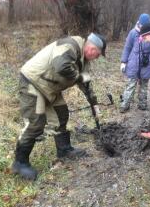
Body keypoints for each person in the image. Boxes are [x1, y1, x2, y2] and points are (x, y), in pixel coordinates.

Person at [11, 33, 106, 180]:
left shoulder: (84, 61)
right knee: (35, 124)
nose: (97, 57)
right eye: (98, 54)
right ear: (92, 48)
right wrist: (79, 77)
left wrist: (95, 105)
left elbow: (86, 85)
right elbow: (62, 66)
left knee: (62, 115)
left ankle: (64, 150)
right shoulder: (70, 45)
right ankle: (20, 162)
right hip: (34, 81)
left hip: (50, 88)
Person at [119, 13, 150, 113]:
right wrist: (123, 61)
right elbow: (127, 48)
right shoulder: (133, 33)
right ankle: (124, 104)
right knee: (131, 84)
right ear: (139, 23)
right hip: (133, 63)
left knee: (144, 85)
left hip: (147, 63)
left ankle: (142, 104)